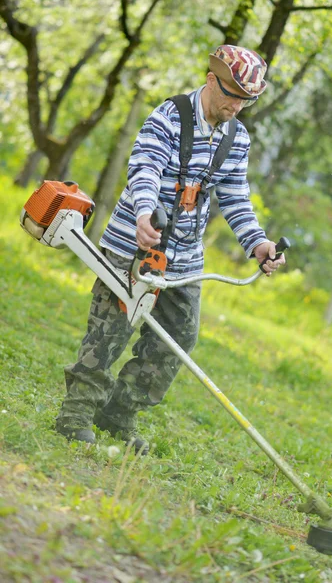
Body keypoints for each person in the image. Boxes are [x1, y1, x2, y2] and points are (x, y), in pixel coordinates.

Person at [56, 45, 286, 451]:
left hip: (185, 258)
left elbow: (234, 196)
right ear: (212, 80)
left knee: (177, 338)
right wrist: (146, 212)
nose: (237, 106)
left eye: (246, 100)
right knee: (109, 332)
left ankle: (118, 413)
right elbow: (144, 166)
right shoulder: (168, 117)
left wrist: (258, 243)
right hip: (135, 242)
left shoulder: (237, 137)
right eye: (232, 94)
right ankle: (74, 416)